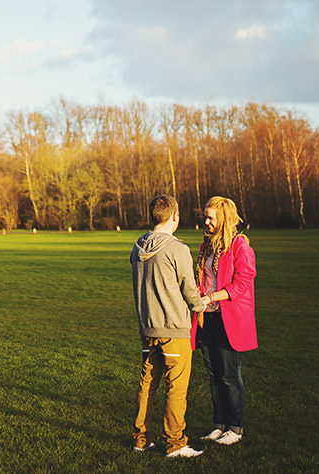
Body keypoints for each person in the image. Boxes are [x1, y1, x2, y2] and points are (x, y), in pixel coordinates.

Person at [131, 195, 206, 458]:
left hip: (147, 328)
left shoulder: (137, 246)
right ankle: (175, 443)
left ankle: (141, 440)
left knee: (148, 384)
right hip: (173, 329)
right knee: (176, 386)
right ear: (174, 216)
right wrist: (201, 306)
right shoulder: (177, 249)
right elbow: (189, 289)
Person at [191, 196, 257, 446]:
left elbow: (243, 283)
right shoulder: (206, 246)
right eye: (205, 217)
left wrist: (211, 297)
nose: (206, 222)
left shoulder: (240, 247)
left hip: (229, 319)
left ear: (224, 219)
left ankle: (235, 428)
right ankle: (218, 425)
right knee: (214, 374)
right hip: (207, 318)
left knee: (230, 375)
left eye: (210, 218)